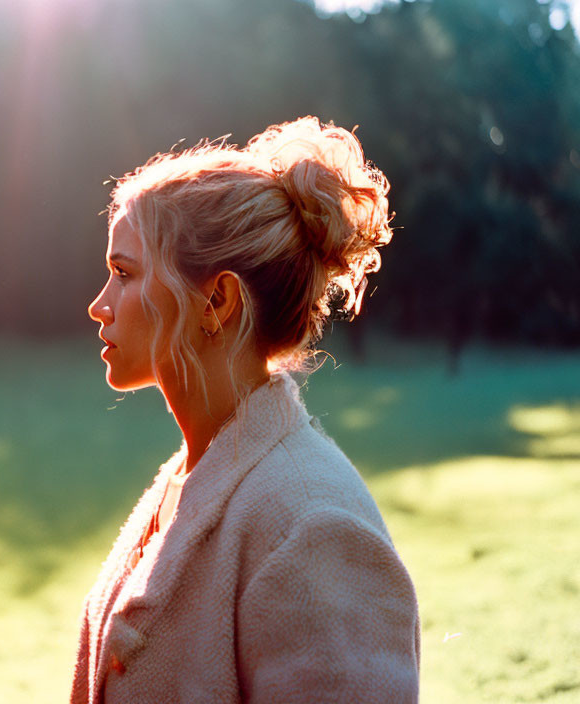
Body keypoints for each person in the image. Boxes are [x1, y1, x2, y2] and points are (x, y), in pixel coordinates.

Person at [72, 117, 420, 703]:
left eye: (124, 274)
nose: (98, 306)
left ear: (217, 299)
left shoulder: (313, 524)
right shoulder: (188, 479)